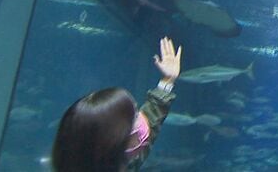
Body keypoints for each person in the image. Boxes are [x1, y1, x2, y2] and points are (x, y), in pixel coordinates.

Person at [51, 37, 182, 172]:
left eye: (135, 113)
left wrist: (167, 81)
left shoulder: (118, 161)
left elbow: (151, 120)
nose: (143, 120)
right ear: (112, 140)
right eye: (134, 118)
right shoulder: (119, 162)